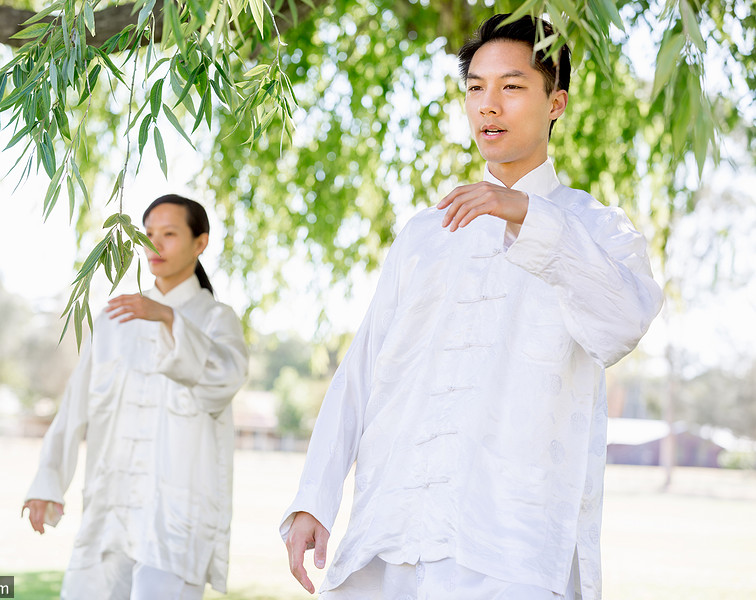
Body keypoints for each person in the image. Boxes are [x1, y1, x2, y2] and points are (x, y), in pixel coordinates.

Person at [281, 14, 663, 600]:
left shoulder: (596, 229)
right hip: (391, 534)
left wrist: (525, 215)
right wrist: (315, 499)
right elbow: (361, 371)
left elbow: (622, 324)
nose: (489, 105)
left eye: (512, 87)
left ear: (555, 102)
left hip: (510, 546)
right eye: (475, 88)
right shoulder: (425, 235)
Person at [23, 194, 248, 600]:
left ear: (200, 243)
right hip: (111, 509)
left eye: (169, 234)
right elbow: (75, 403)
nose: (154, 246)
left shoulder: (217, 320)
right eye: (148, 235)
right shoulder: (114, 318)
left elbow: (226, 378)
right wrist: (48, 480)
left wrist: (168, 317)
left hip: (176, 520)